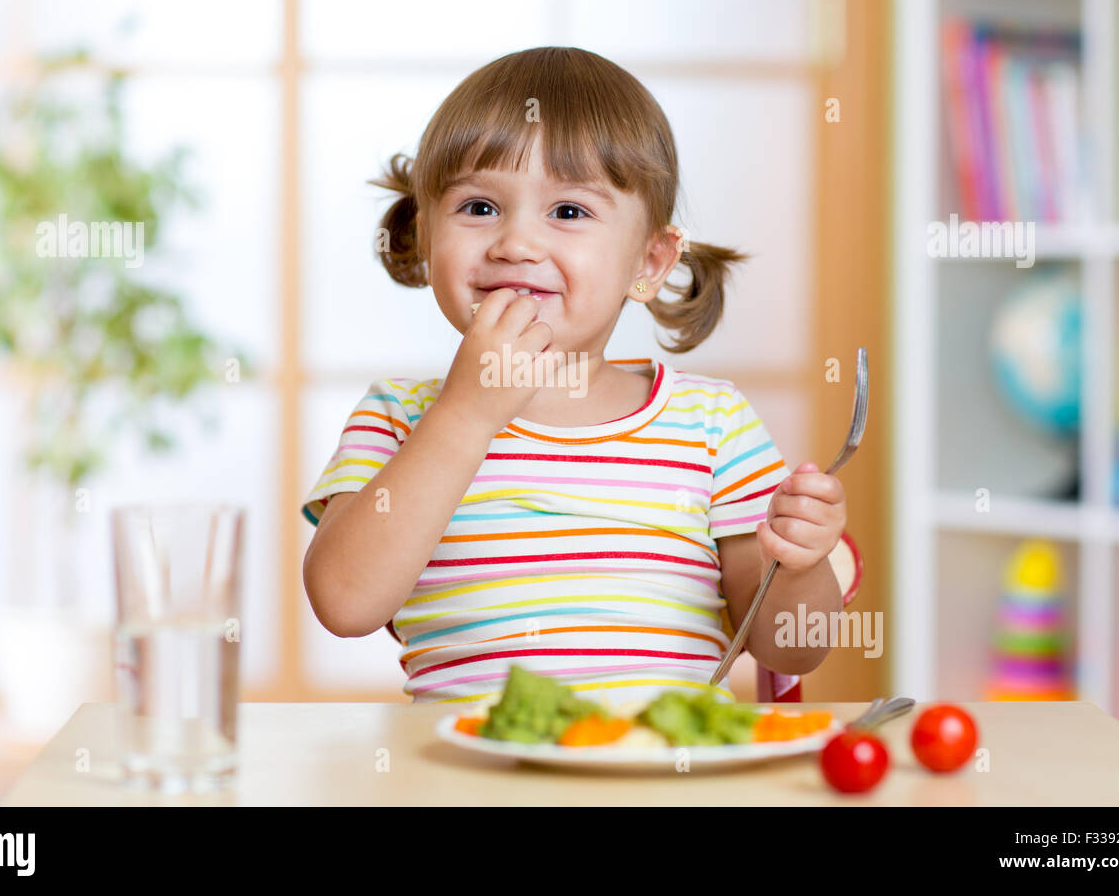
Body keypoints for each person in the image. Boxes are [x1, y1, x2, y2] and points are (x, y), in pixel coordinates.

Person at [301, 46, 845, 709]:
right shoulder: (397, 416)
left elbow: (790, 647)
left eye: (567, 212)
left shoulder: (711, 424)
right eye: (478, 207)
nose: (516, 244)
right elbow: (345, 603)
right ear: (426, 234)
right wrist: (467, 414)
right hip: (472, 776)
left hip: (658, 774)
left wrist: (802, 564)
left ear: (648, 261)